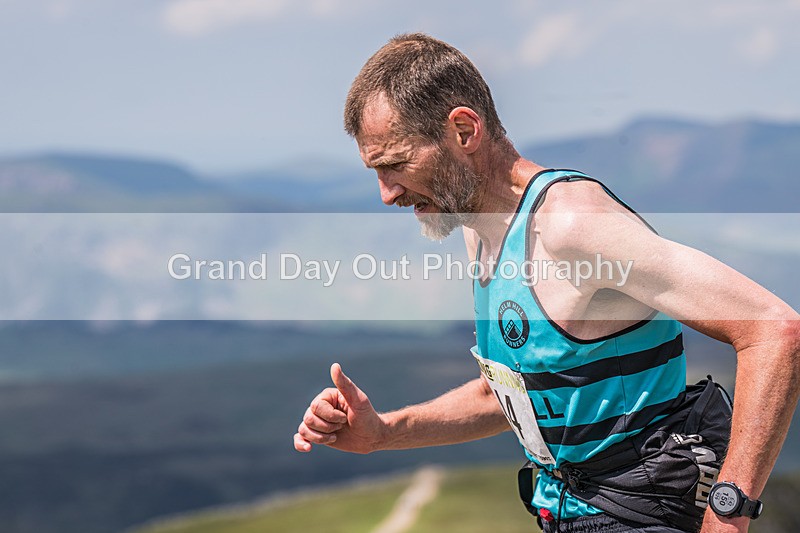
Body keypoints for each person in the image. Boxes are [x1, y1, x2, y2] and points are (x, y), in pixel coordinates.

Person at [292, 33, 800, 533]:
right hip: (565, 511)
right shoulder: (481, 232)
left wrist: (729, 515)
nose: (386, 194)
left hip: (643, 513)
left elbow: (775, 330)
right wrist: (383, 433)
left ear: (464, 131)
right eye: (375, 171)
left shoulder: (570, 225)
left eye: (396, 164)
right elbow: (515, 392)